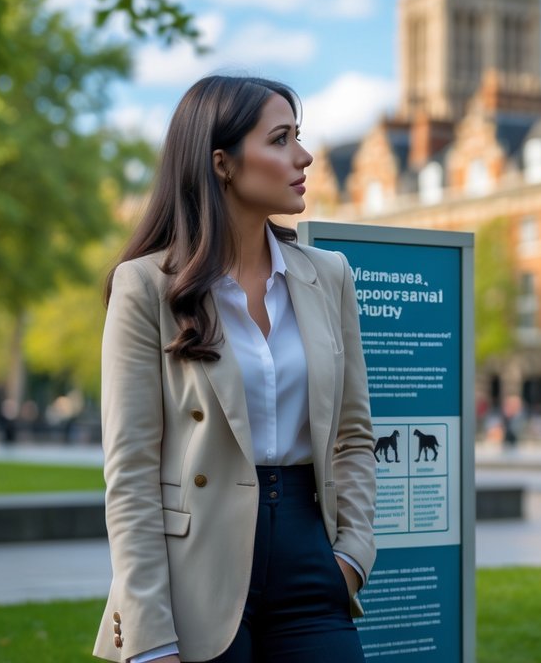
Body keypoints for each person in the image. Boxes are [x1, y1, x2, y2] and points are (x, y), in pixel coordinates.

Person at [93, 76, 376, 662]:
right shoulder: (146, 286)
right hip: (194, 568)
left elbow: (353, 436)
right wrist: (147, 637)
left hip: (310, 555)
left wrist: (351, 555)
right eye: (280, 140)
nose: (303, 156)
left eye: (299, 137)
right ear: (222, 163)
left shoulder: (330, 276)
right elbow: (132, 472)